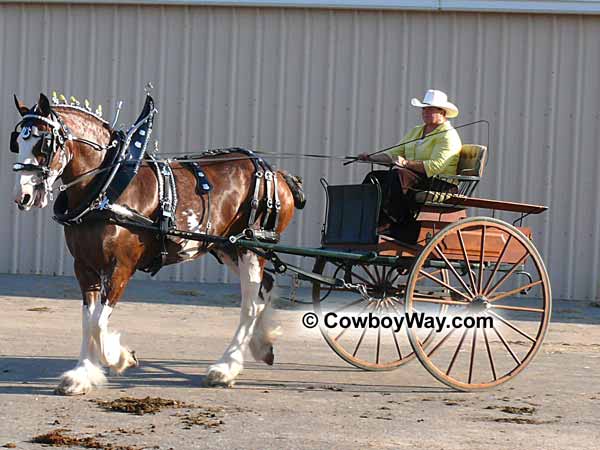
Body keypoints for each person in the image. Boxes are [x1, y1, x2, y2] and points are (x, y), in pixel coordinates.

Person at [358, 89, 462, 233]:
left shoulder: (448, 136)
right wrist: (370, 157)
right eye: (424, 109)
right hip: (416, 178)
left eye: (430, 109)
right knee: (374, 178)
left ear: (442, 112)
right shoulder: (417, 131)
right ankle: (366, 218)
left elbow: (435, 167)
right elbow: (394, 154)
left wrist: (406, 163)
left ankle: (393, 221)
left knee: (398, 175)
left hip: (440, 183)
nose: (425, 112)